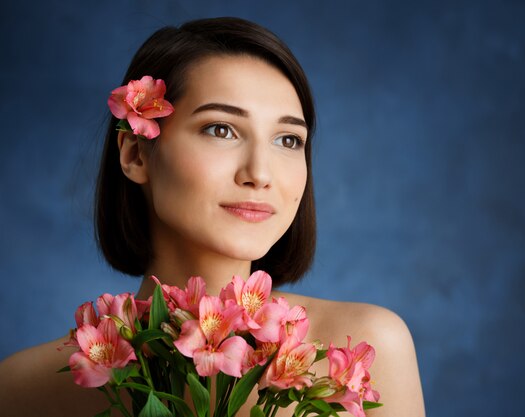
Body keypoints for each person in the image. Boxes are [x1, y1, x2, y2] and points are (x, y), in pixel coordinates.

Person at [0, 17, 425, 416]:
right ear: (134, 154)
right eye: (221, 129)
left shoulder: (367, 351)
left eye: (288, 139)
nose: (259, 174)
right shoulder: (22, 388)